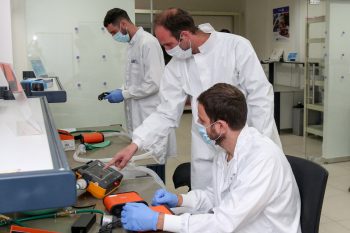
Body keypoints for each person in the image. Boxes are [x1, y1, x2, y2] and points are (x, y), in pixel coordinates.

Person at [106, 8, 281, 190]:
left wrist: (256, 144)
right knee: (206, 202)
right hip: (206, 147)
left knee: (247, 199)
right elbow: (166, 112)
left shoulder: (236, 46)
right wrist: (136, 144)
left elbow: (260, 97)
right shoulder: (177, 66)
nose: (166, 51)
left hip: (248, 140)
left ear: (184, 36)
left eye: (167, 45)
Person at [120, 83, 301, 233]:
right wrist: (180, 200)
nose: (198, 125)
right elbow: (215, 195)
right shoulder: (225, 151)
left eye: (203, 121)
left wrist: (160, 221)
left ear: (220, 126)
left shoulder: (262, 159)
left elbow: (223, 223)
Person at [103, 8, 176, 171]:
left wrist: (124, 94)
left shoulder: (147, 42)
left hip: (149, 114)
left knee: (153, 165)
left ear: (123, 24)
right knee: (142, 164)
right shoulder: (131, 45)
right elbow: (134, 80)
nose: (114, 37)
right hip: (138, 116)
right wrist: (121, 90)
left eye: (114, 32)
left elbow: (153, 83)